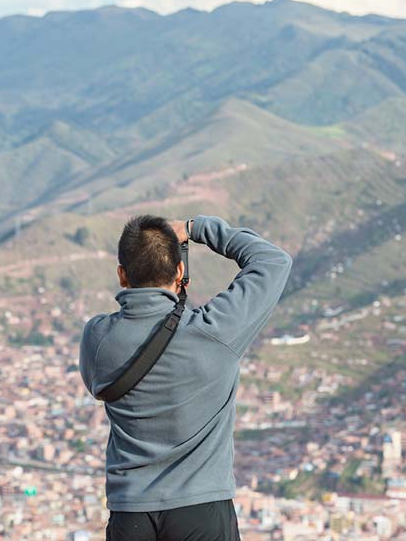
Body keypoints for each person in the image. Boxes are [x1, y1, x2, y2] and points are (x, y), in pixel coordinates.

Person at [79, 214, 293, 541]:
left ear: (122, 275)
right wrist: (196, 228)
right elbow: (272, 261)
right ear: (180, 272)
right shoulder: (214, 332)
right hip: (201, 509)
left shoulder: (97, 339)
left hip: (130, 513)